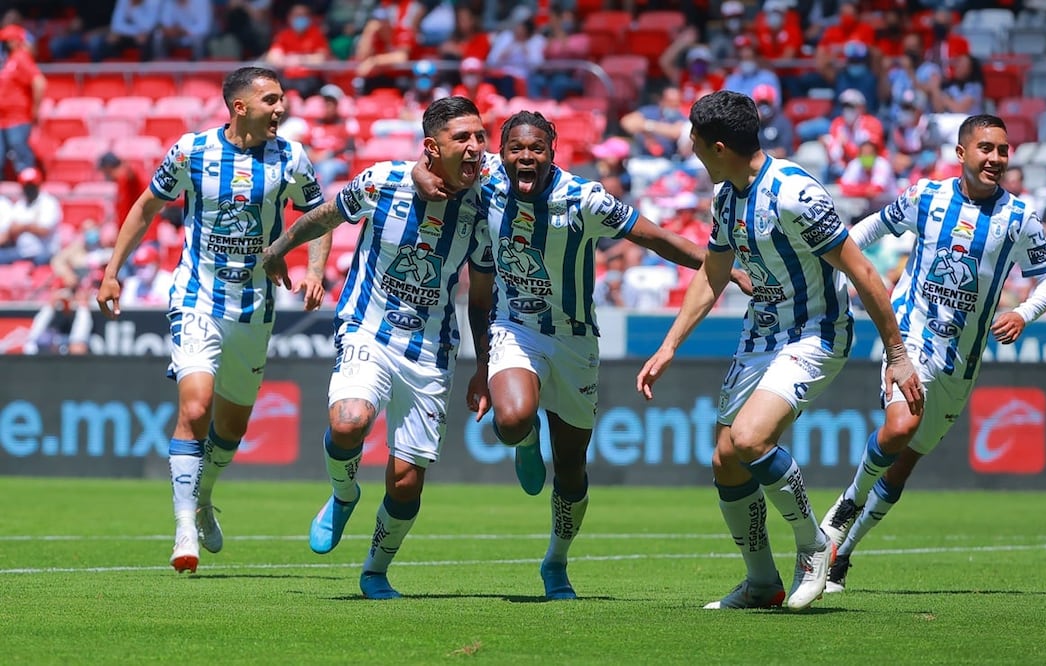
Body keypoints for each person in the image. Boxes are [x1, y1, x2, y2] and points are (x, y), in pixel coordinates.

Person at [411, 110, 747, 601]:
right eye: (515, 149)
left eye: (536, 149)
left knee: (571, 468)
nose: (525, 157)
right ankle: (525, 442)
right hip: (515, 328)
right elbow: (427, 165)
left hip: (575, 342)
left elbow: (651, 236)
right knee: (512, 419)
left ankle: (556, 561)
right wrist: (421, 173)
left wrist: (719, 264)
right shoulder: (484, 181)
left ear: (553, 150)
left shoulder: (583, 198)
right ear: (501, 153)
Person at [634, 90, 923, 611]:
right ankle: (762, 582)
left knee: (748, 439)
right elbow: (714, 272)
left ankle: (815, 544)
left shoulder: (795, 194)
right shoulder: (726, 197)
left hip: (816, 331)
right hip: (760, 335)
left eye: (696, 142)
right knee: (726, 461)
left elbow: (861, 270)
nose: (691, 149)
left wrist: (897, 353)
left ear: (719, 146)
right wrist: (670, 344)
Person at [95, 66, 328, 574]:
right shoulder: (190, 151)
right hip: (197, 297)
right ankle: (183, 527)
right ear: (239, 106)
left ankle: (204, 497)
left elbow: (317, 215)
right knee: (195, 406)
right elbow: (146, 207)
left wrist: (315, 268)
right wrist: (112, 271)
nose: (281, 108)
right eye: (271, 99)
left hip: (255, 309)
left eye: (282, 99)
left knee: (231, 426)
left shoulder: (291, 157)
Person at [819, 114, 1046, 593]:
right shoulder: (926, 197)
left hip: (962, 364)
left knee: (905, 460)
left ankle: (843, 553)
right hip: (909, 340)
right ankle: (845, 506)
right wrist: (836, 263)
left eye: (1002, 150)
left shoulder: (1019, 218)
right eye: (985, 148)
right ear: (961, 153)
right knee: (900, 425)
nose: (995, 158)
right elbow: (872, 228)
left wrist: (1025, 313)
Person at [260, 96, 492, 600]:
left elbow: (480, 296)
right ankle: (343, 495)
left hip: (431, 350)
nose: (476, 147)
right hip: (367, 327)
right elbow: (325, 216)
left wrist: (483, 367)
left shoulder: (484, 201)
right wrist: (279, 249)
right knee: (348, 421)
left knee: (406, 482)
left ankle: (375, 570)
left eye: (480, 136)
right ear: (432, 147)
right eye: (463, 139)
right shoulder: (382, 181)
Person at [0, 24, 45, 178]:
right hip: (3, 118)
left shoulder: (21, 57)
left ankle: (29, 185)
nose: (5, 43)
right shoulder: (8, 60)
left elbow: (39, 82)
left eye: (8, 40)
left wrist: (35, 108)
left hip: (17, 116)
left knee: (19, 151)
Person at [0, 167, 61, 266]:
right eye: (26, 186)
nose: (28, 189)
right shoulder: (20, 204)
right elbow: (11, 230)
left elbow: (44, 230)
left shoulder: (48, 202)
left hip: (44, 252)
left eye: (31, 185)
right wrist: (30, 225)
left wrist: (23, 226)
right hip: (21, 251)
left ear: (38, 185)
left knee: (41, 259)